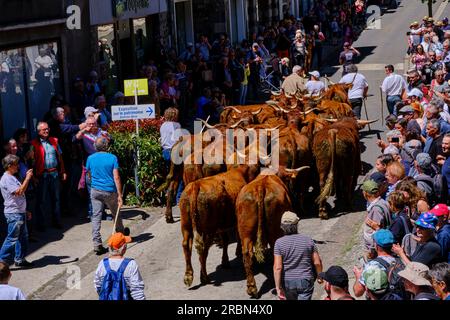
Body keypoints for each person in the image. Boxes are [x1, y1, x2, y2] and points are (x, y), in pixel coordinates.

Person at [85, 137, 128, 255]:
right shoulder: (112, 158)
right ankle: (120, 235)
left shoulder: (90, 158)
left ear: (95, 147)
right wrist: (120, 194)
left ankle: (97, 243)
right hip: (109, 191)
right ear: (106, 146)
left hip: (95, 190)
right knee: (116, 213)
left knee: (96, 216)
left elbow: (88, 173)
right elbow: (116, 177)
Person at [273, 211, 323, 300]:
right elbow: (317, 262)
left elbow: (277, 267)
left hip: (288, 282)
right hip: (305, 280)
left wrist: (278, 287)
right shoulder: (308, 240)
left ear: (282, 227)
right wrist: (319, 276)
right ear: (296, 224)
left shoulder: (279, 243)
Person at [31, 122, 66, 231]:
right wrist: (34, 177)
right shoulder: (33, 144)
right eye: (43, 130)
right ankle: (41, 224)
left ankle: (56, 221)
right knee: (41, 201)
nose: (46, 131)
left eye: (47, 128)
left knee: (56, 199)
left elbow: (60, 157)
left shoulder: (54, 141)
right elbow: (31, 162)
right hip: (42, 176)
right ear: (38, 132)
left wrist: (63, 171)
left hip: (54, 174)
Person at [0, 155, 34, 267]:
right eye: (16, 164)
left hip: (19, 212)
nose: (18, 166)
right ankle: (1, 262)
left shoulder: (12, 177)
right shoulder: (6, 179)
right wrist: (28, 178)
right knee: (12, 238)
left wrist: (25, 210)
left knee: (22, 237)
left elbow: (19, 197)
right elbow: (19, 192)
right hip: (14, 214)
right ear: (9, 166)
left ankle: (20, 259)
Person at [94, 232, 145, 300]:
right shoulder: (131, 264)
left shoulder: (102, 264)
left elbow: (98, 286)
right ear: (124, 248)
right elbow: (137, 290)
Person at [353, 229, 397, 298]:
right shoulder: (401, 260)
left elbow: (358, 292)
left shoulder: (372, 266)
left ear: (376, 246)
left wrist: (358, 276)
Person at [361, 180, 392, 259]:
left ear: (365, 193)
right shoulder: (383, 202)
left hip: (376, 250)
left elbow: (376, 232)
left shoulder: (376, 209)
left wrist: (371, 250)